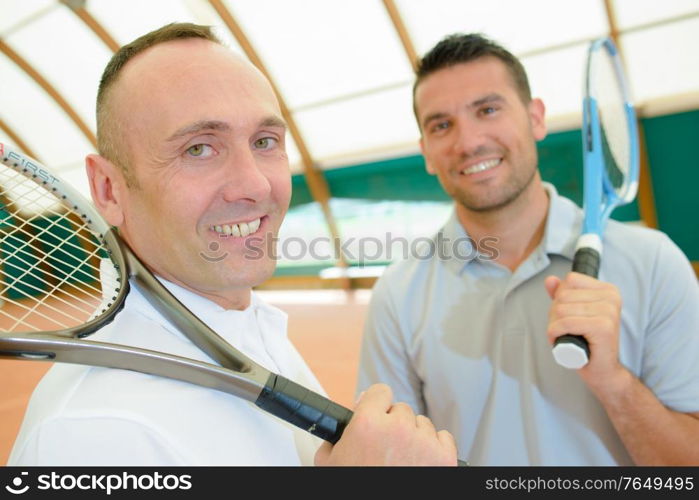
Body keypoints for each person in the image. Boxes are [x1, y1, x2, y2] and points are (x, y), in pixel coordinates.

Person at [7, 23, 457, 466]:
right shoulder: (88, 437)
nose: (255, 184)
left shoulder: (248, 326)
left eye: (265, 141)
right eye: (199, 149)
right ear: (108, 190)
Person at [357, 33, 699, 466]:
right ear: (426, 151)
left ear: (535, 118)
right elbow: (387, 459)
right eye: (442, 125)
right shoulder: (398, 291)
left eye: (488, 110)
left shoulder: (653, 262)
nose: (468, 141)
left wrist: (613, 381)